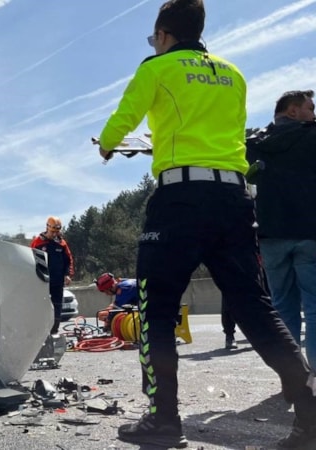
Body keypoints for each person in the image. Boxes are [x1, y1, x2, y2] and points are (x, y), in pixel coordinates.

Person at [96, 1, 316, 448]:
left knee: (155, 308)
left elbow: (124, 118)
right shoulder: (232, 74)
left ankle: (163, 418)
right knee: (256, 306)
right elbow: (229, 135)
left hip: (180, 198)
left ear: (162, 35)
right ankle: (310, 413)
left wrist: (106, 144)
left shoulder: (156, 68)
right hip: (234, 199)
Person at [246, 89, 316, 365]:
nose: (313, 114)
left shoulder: (256, 142)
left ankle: (291, 373)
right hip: (309, 232)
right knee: (313, 306)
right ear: (293, 111)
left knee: (282, 306)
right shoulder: (312, 136)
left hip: (270, 234)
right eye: (310, 108)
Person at [30, 216, 74, 334]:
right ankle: (39, 331)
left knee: (57, 305)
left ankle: (54, 330)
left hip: (57, 281)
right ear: (47, 228)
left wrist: (68, 274)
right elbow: (30, 260)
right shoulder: (37, 242)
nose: (55, 234)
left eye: (57, 231)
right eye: (53, 231)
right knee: (41, 305)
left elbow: (68, 260)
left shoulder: (62, 244)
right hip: (41, 280)